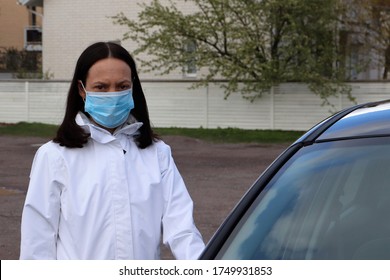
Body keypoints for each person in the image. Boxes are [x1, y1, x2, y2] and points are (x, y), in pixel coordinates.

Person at [19, 42, 205, 260]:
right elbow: (37, 241)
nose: (112, 94)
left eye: (122, 86)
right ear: (82, 90)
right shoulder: (54, 156)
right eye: (101, 87)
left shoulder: (158, 154)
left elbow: (182, 229)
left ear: (133, 87)